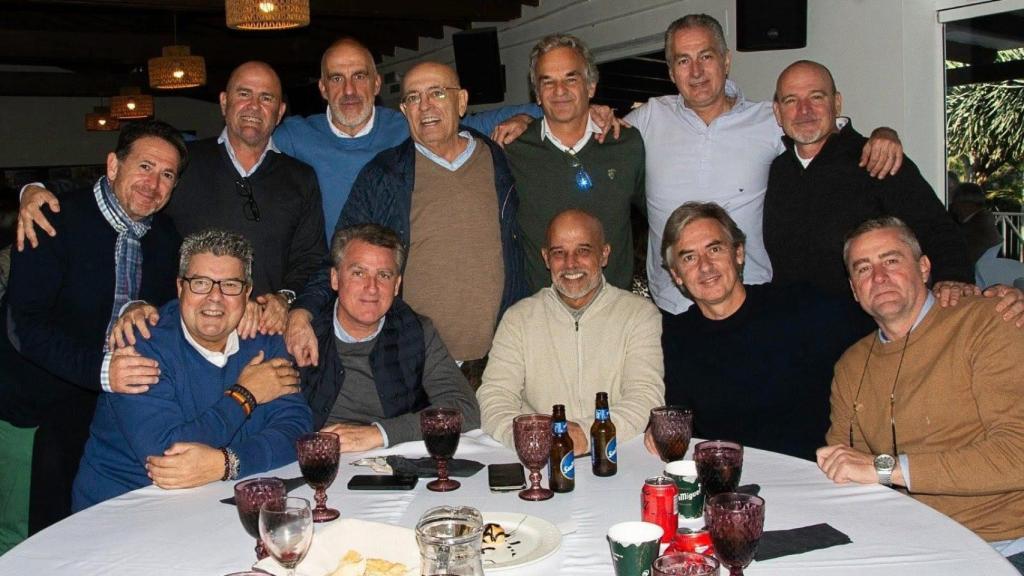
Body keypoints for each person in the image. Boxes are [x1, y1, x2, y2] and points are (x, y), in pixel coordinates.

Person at [17, 62, 327, 340]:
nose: (254, 106)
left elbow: (311, 258)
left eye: (266, 98)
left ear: (280, 111)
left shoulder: (300, 178)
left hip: (266, 333)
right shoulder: (185, 161)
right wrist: (35, 188)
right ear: (224, 102)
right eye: (244, 93)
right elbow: (120, 184)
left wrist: (283, 299)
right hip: (184, 337)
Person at [624, 13, 903, 315]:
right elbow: (593, 141)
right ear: (670, 72)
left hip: (752, 301)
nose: (696, 72)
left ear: (726, 60)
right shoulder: (648, 119)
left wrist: (882, 135)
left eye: (706, 56)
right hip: (672, 306)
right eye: (683, 61)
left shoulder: (768, 121)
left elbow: (821, 127)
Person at [286, 61, 528, 390]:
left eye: (437, 93)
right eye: (413, 98)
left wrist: (539, 117)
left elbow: (557, 114)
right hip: (418, 363)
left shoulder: (500, 158)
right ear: (404, 110)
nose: (425, 106)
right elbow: (342, 254)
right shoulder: (384, 175)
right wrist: (304, 310)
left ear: (461, 101)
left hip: (503, 359)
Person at [0, 120, 186, 538]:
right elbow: (23, 326)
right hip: (30, 407)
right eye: (145, 166)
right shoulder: (53, 219)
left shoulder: (165, 239)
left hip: (97, 414)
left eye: (167, 174)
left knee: (80, 531)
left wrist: (143, 308)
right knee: (22, 534)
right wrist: (101, 371)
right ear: (113, 165)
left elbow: (166, 311)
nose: (153, 183)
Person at [818, 217, 1024, 567]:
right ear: (854, 289)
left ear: (924, 267)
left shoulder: (990, 322)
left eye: (891, 260)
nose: (878, 277)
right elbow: (847, 464)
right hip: (911, 541)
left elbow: (1017, 454)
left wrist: (885, 469)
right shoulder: (851, 364)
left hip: (1003, 546)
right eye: (863, 268)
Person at [72, 229, 311, 511]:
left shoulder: (266, 340)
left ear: (247, 292)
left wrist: (227, 463)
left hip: (217, 504)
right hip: (125, 510)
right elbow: (168, 456)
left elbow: (296, 429)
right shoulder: (140, 344)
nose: (215, 297)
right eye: (200, 283)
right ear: (180, 287)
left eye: (230, 285)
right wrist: (245, 395)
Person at [653, 202, 868, 460]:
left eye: (715, 249)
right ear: (677, 275)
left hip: (809, 477)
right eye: (689, 257)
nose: (705, 266)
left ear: (739, 253)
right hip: (724, 487)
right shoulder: (675, 337)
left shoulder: (800, 308)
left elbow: (882, 329)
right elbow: (671, 413)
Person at [272, 37, 542, 239]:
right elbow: (238, 150)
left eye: (359, 76)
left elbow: (472, 124)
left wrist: (529, 116)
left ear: (376, 84)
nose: (349, 90)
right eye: (336, 79)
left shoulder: (407, 126)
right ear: (322, 88)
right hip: (329, 282)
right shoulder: (296, 136)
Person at [763, 60, 973, 298]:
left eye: (816, 97)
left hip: (865, 326)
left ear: (837, 103)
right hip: (790, 320)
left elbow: (936, 228)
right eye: (791, 100)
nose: (804, 110)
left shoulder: (875, 159)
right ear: (778, 113)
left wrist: (954, 279)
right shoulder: (777, 170)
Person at [477, 209, 663, 452]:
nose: (570, 263)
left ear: (604, 254)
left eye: (583, 251)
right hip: (538, 458)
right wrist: (530, 438)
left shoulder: (639, 314)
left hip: (618, 452)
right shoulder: (518, 318)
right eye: (559, 253)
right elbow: (495, 395)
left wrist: (586, 435)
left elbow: (645, 396)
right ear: (545, 258)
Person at [299, 224, 480, 451]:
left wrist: (381, 434)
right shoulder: (304, 331)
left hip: (396, 461)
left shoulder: (416, 332)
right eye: (358, 273)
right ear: (335, 279)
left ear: (397, 285)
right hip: (316, 459)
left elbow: (465, 409)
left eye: (384, 275)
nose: (372, 287)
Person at [504, 33, 645, 292]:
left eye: (571, 78)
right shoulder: (512, 151)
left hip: (616, 311)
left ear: (590, 87)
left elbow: (658, 215)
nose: (559, 91)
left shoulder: (626, 144)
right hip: (543, 313)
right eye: (548, 82)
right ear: (537, 93)